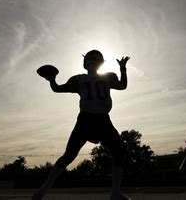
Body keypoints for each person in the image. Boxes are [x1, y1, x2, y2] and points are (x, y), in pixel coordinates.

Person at [33, 50, 131, 200]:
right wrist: (52, 80)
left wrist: (123, 68)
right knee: (69, 156)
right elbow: (57, 89)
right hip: (85, 120)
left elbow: (122, 85)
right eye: (89, 58)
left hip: (104, 120)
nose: (92, 59)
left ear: (102, 62)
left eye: (96, 57)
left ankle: (116, 193)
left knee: (119, 153)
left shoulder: (109, 77)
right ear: (84, 63)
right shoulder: (78, 79)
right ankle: (42, 190)